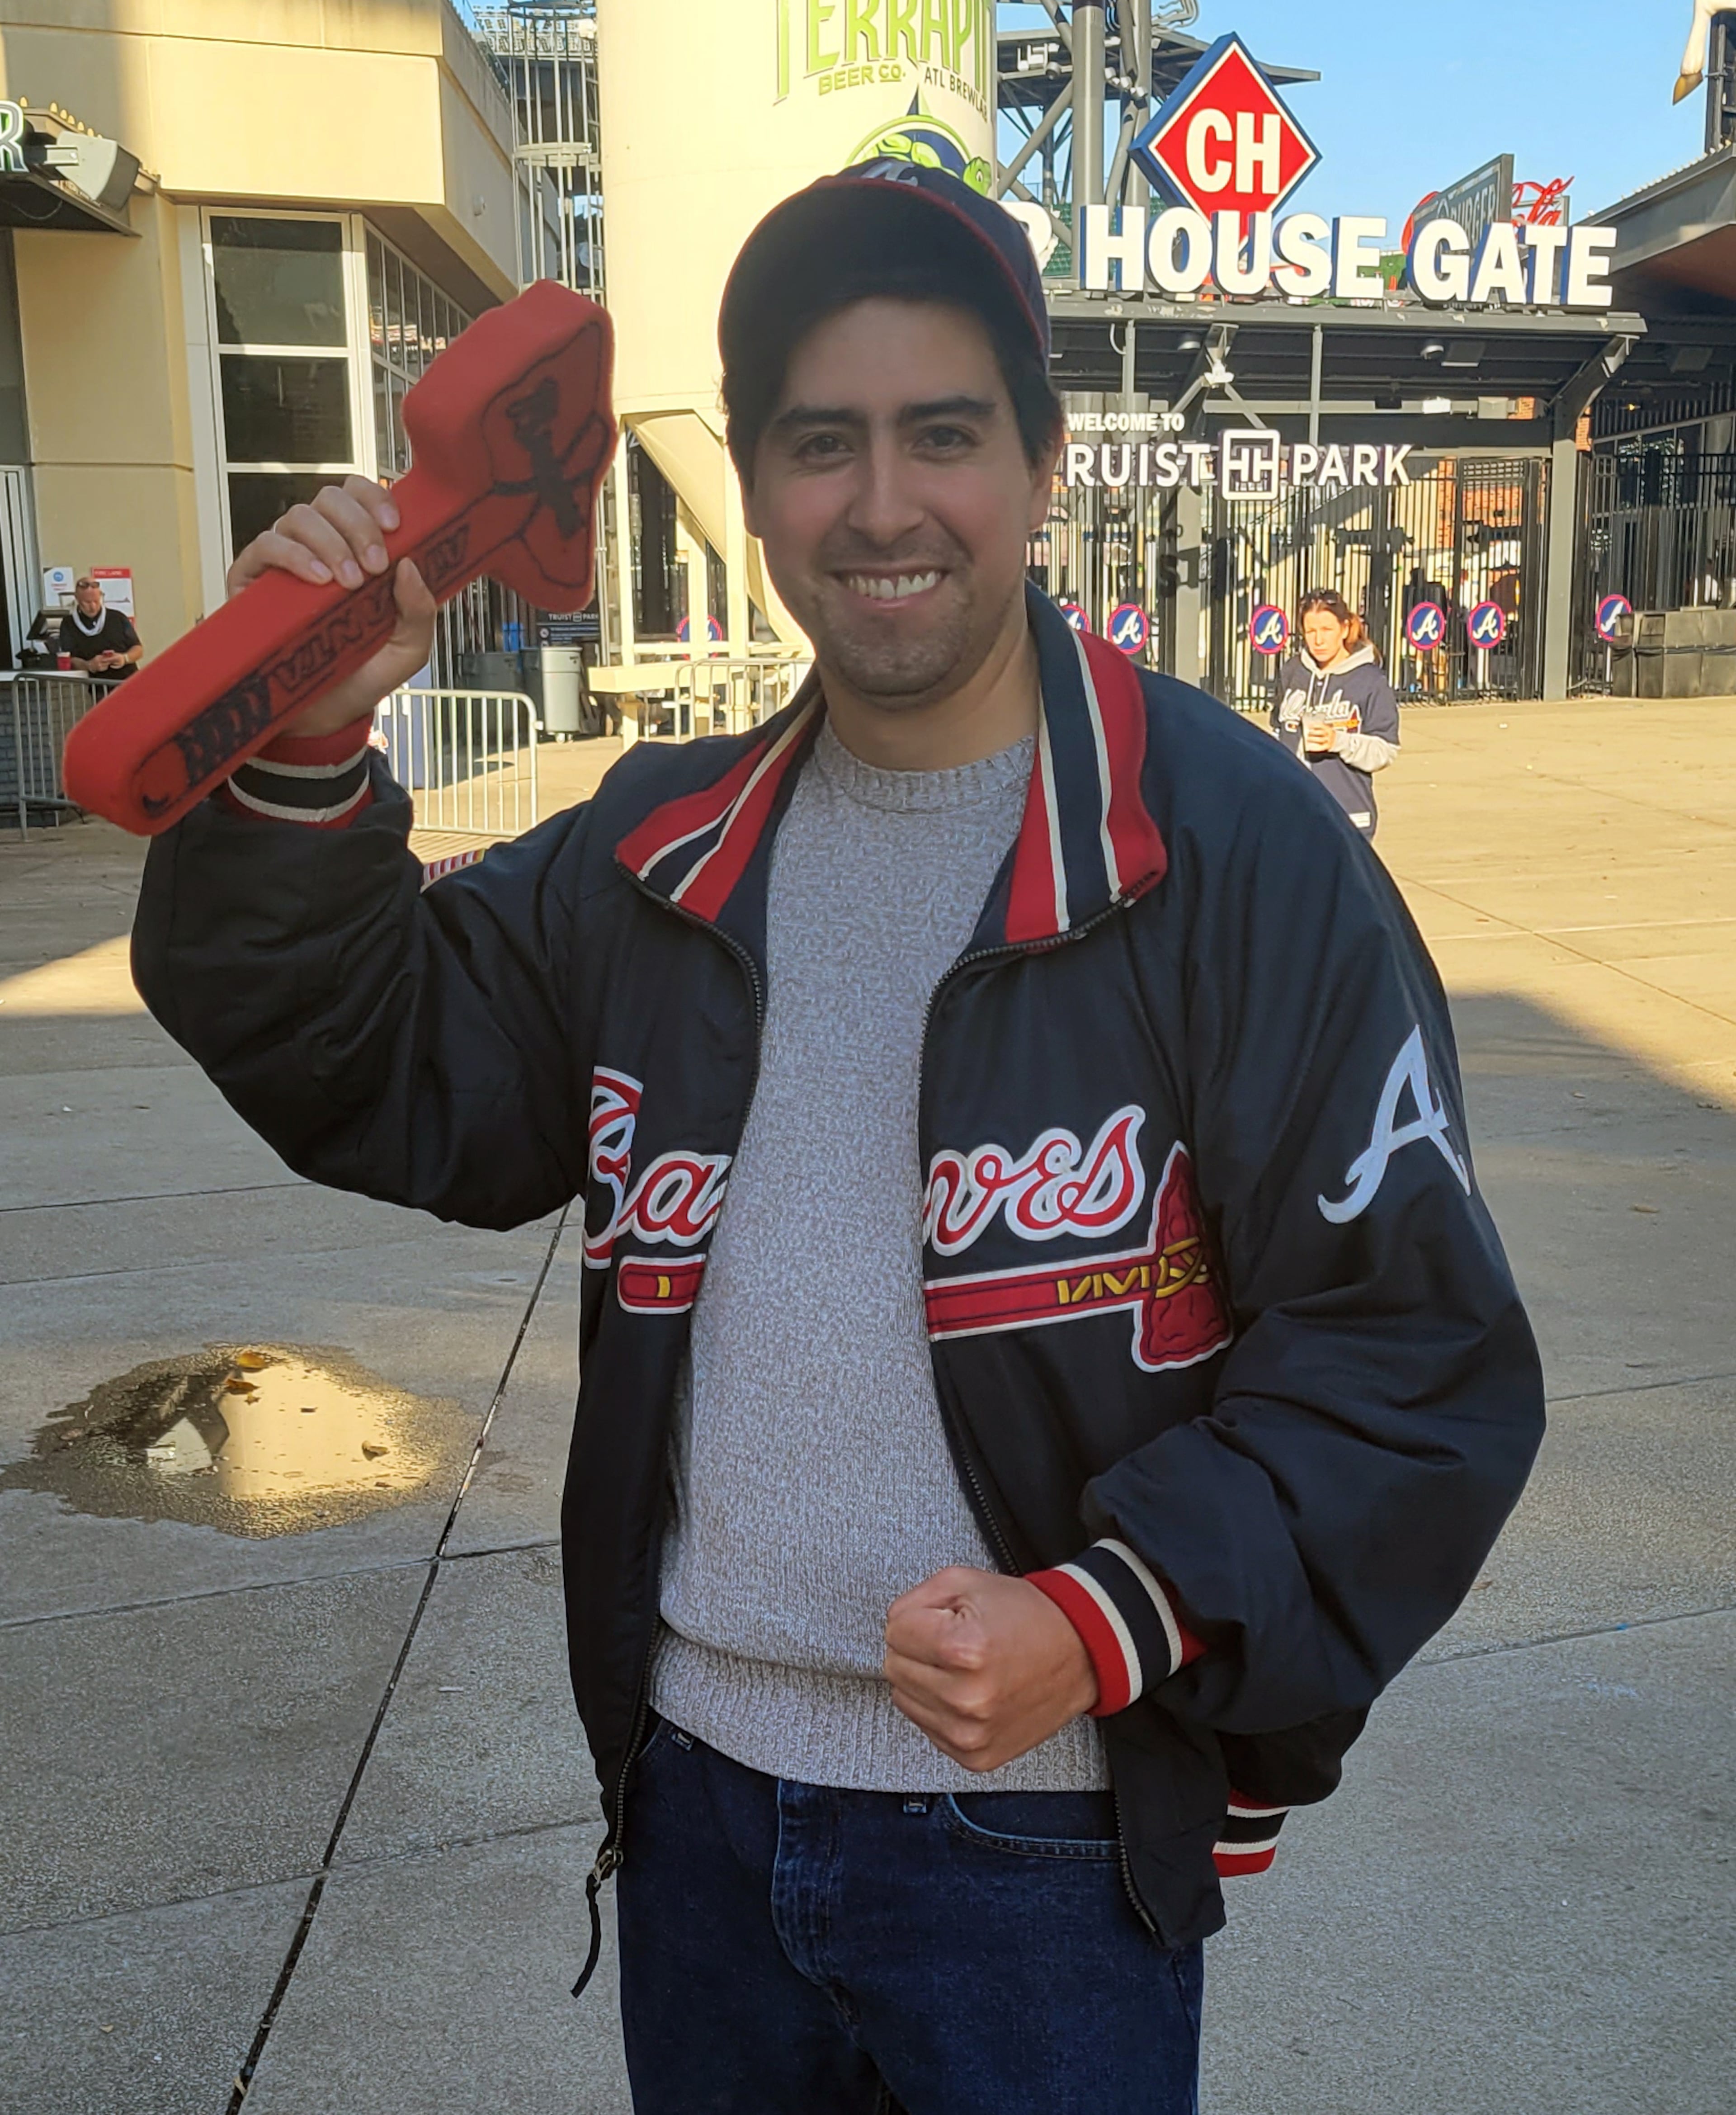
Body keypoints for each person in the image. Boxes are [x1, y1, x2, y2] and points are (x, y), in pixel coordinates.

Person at [131, 164, 1544, 2114]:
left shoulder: (1229, 853)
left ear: (1043, 465)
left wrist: (1102, 1614)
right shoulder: (650, 853)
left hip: (1034, 1851)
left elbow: (1415, 1364)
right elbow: (370, 1064)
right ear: (755, 483)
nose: (881, 505)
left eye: (942, 434)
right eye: (821, 444)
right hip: (699, 1818)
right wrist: (302, 742)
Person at [1273, 587, 1401, 838]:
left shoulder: (1369, 680)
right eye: (1311, 631)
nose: (1318, 640)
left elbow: (1386, 750)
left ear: (1344, 629)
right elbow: (1276, 732)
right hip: (1292, 814)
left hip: (1347, 815)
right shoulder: (1292, 672)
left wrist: (1339, 741)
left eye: (1327, 630)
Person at [57, 575, 142, 680]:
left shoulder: (118, 617)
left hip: (128, 679)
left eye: (96, 601)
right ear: (77, 599)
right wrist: (89, 665)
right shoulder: (69, 624)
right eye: (87, 602)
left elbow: (138, 648)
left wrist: (125, 658)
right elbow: (69, 658)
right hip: (97, 685)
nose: (93, 607)